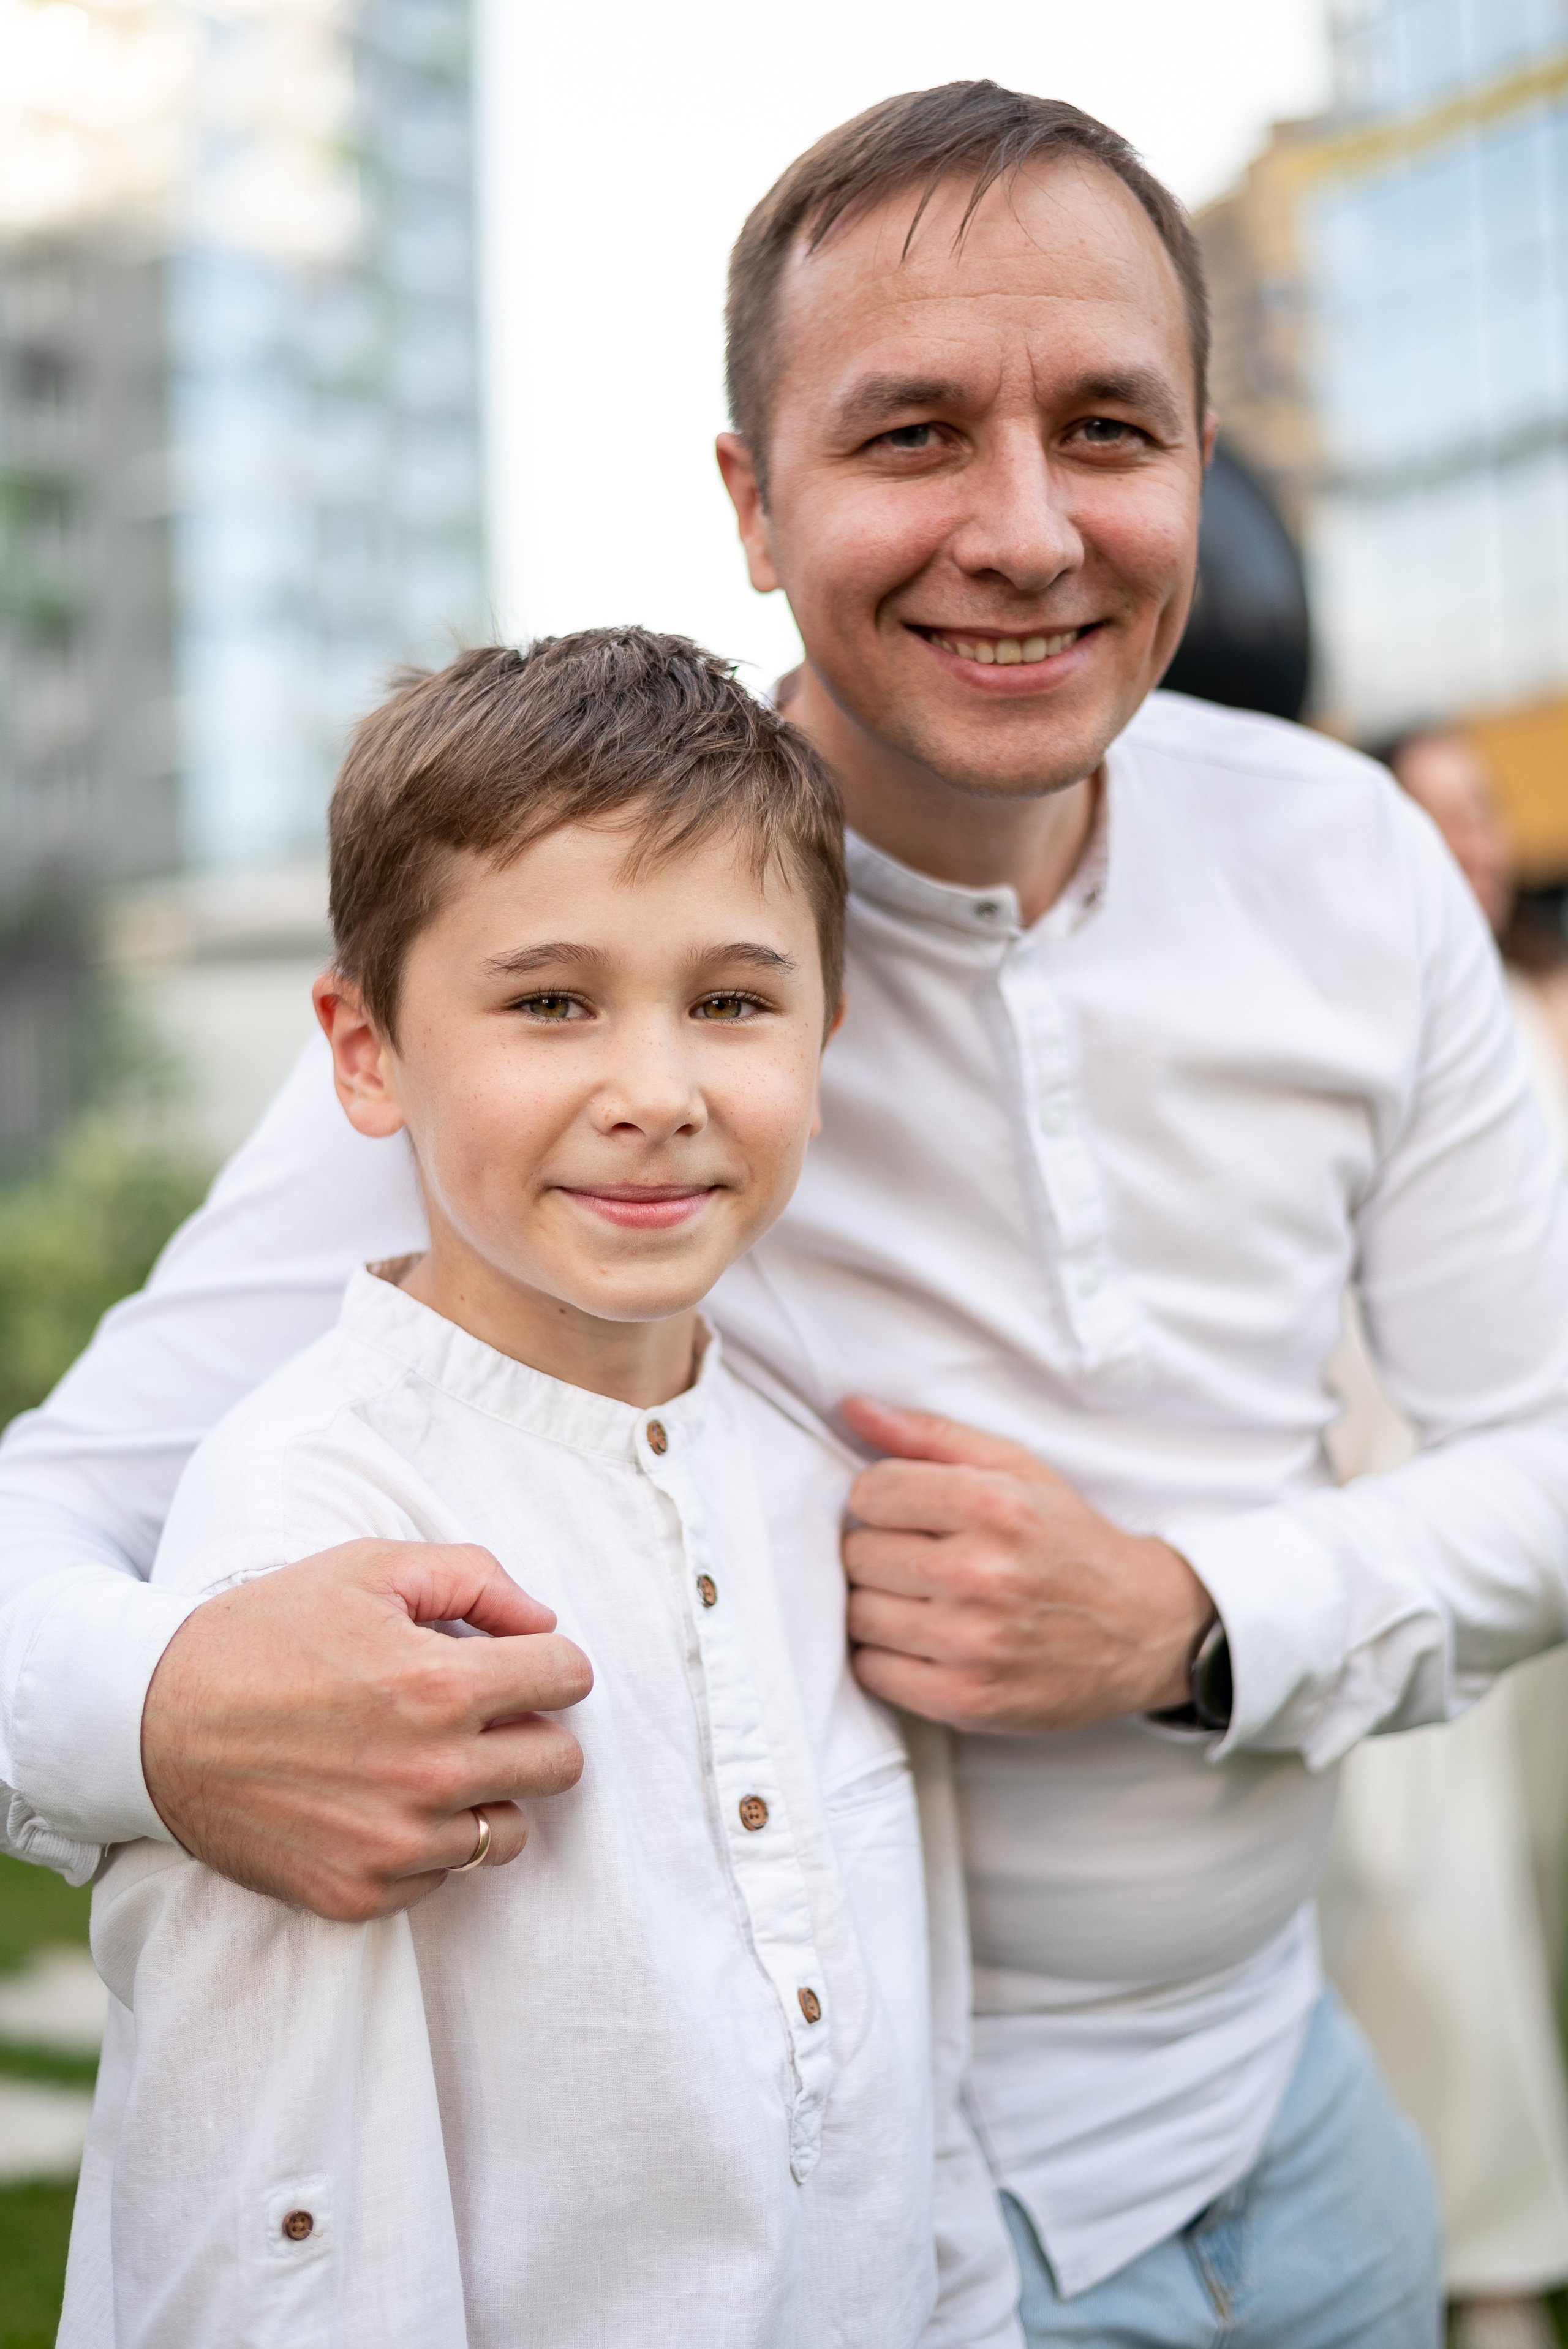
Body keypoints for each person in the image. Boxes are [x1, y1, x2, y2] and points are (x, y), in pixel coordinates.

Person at [4, 80, 1568, 2346]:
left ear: (1204, 462)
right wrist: (162, 1715)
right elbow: (46, 1525)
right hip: (883, 2242)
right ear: (750, 498)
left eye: (1110, 431)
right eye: (913, 434)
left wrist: (1194, 1617)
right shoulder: (567, 971)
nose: (1026, 530)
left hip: (1306, 2131)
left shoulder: (1349, 868)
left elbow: (1547, 1455)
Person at [59, 630, 1020, 2348]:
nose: (654, 1094)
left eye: (732, 1000)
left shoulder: (821, 1488)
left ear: (829, 1029)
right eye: (549, 1001)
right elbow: (279, 2225)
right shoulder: (319, 1517)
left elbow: (917, 2108)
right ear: (365, 1049)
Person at [1324, 727, 1568, 2349]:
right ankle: (1484, 2263)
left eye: (1482, 819)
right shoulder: (1352, 1030)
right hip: (1397, 1499)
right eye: (1436, 819)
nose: (1467, 846)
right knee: (1432, 1886)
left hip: (1525, 1511)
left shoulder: (1534, 1019)